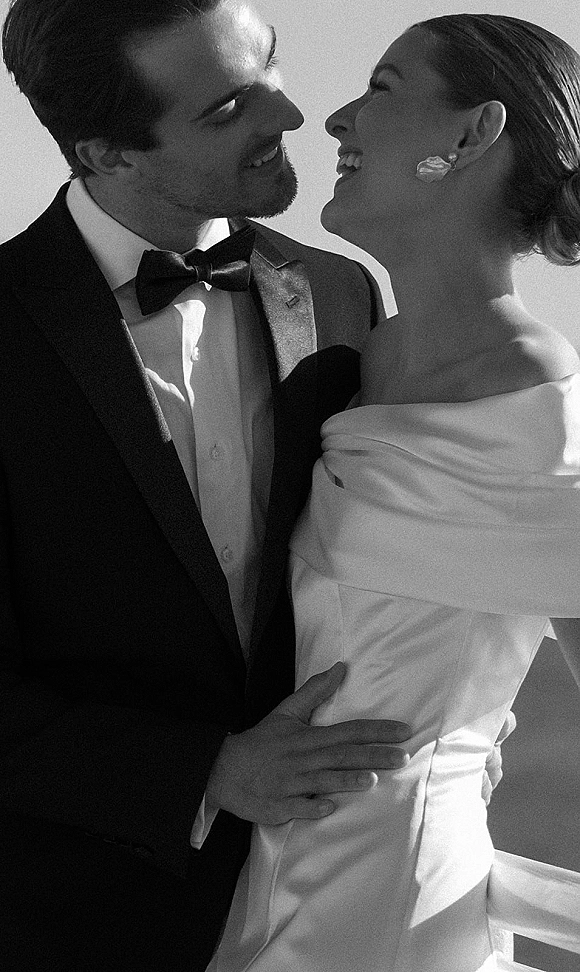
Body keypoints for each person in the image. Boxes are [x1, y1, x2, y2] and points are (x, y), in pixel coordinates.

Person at [0, 1, 414, 970]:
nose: (292, 114)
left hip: (331, 899)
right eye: (230, 105)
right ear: (106, 152)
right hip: (71, 926)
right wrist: (206, 771)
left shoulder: (345, 294)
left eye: (270, 64)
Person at [208, 14, 580, 972]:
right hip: (263, 882)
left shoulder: (536, 403)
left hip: (398, 910)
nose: (334, 118)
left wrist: (468, 733)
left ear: (469, 135)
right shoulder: (362, 352)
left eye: (380, 84)